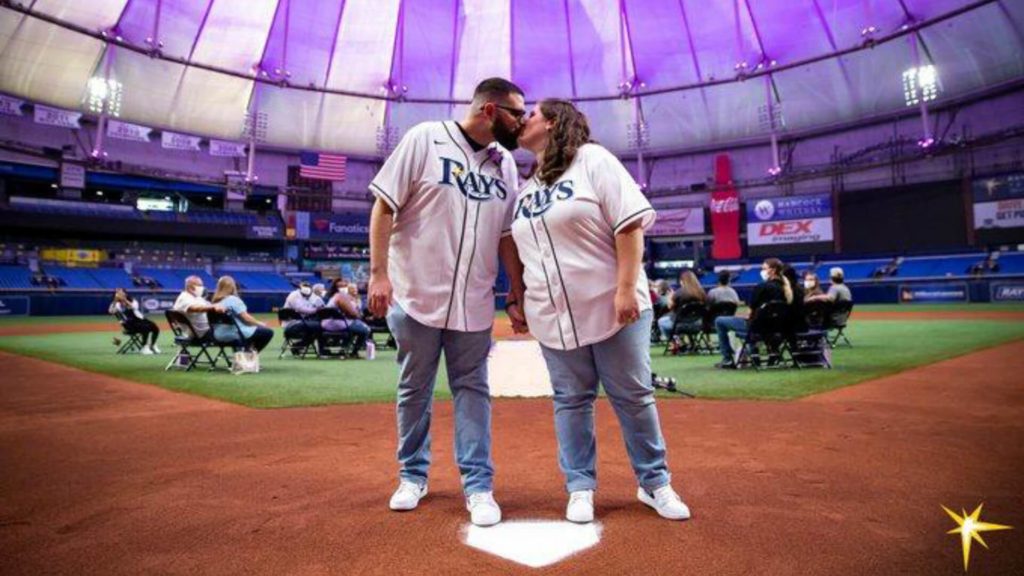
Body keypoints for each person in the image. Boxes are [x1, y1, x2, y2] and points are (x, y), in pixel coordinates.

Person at [511, 98, 689, 523]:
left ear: (552, 122)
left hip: (614, 306)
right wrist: (519, 300)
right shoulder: (528, 187)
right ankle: (579, 488)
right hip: (552, 315)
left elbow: (628, 223)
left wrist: (627, 288)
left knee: (632, 396)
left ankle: (655, 483)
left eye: (531, 114)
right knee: (570, 401)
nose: (523, 121)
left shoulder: (593, 159)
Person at [367, 77, 528, 527]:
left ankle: (479, 487)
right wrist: (378, 275)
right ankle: (412, 476)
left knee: (473, 390)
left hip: (475, 301)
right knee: (414, 388)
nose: (524, 122)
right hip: (416, 294)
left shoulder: (506, 166)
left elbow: (506, 235)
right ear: (491, 111)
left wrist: (515, 290)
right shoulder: (425, 138)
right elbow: (383, 206)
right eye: (518, 113)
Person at [714, 258, 790, 369]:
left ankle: (727, 359)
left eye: (764, 268)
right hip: (777, 328)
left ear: (772, 271)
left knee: (719, 321)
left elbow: (750, 312)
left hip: (756, 328)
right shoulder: (786, 289)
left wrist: (741, 316)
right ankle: (756, 355)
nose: (762, 271)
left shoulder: (761, 287)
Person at [210, 276, 274, 352]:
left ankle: (242, 353)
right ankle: (249, 356)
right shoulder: (233, 300)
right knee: (268, 332)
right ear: (232, 287)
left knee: (249, 333)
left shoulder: (214, 303)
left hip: (218, 335)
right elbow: (246, 319)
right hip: (235, 334)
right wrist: (259, 323)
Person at [321, 278, 371, 355]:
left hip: (331, 322)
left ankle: (344, 349)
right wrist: (359, 316)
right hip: (337, 323)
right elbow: (353, 313)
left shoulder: (338, 296)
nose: (344, 288)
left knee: (356, 327)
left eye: (345, 285)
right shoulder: (340, 297)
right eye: (341, 286)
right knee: (365, 330)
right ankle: (354, 352)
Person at [656, 270, 706, 344]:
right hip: (698, 323)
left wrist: (670, 297)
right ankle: (685, 342)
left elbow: (670, 307)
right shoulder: (701, 292)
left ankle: (674, 343)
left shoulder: (679, 293)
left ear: (682, 281)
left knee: (661, 321)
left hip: (680, 324)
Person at [108, 288, 161, 354]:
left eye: (121, 292)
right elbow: (111, 311)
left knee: (155, 328)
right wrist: (115, 300)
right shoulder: (117, 304)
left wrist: (125, 300)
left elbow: (134, 307)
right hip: (129, 324)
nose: (120, 294)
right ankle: (144, 347)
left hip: (139, 319)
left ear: (125, 293)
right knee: (145, 327)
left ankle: (152, 345)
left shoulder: (132, 301)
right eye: (118, 293)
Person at [283, 281, 324, 351]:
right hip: (292, 325)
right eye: (305, 286)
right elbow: (300, 309)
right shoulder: (294, 295)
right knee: (320, 326)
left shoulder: (305, 297)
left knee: (319, 325)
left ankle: (297, 346)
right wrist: (316, 310)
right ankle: (323, 351)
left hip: (302, 323)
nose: (307, 288)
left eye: (308, 286)